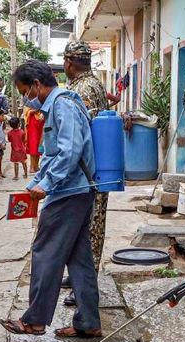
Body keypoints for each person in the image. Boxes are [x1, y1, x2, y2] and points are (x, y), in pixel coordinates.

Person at [0, 60, 101, 339]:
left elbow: (70, 151)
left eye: (24, 91)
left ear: (36, 85)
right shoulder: (59, 105)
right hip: (76, 191)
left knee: (45, 253)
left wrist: (47, 184)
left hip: (68, 193)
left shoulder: (62, 105)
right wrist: (35, 182)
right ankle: (88, 322)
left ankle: (34, 320)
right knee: (79, 260)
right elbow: (54, 153)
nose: (24, 98)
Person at [61, 40, 110, 308]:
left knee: (92, 228)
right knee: (81, 228)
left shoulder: (87, 87)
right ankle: (77, 277)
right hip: (84, 170)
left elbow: (82, 131)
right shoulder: (82, 85)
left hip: (91, 171)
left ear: (69, 62)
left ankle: (84, 287)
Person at [7, 116, 28, 180]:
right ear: (19, 124)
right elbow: (24, 140)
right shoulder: (22, 132)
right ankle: (26, 174)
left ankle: (16, 176)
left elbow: (9, 140)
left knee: (16, 163)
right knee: (24, 162)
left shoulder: (9, 133)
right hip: (22, 150)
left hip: (14, 150)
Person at [25, 106, 44, 171]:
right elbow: (27, 111)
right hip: (32, 124)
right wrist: (39, 109)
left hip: (41, 123)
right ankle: (31, 166)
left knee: (39, 146)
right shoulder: (30, 102)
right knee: (33, 146)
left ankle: (36, 166)